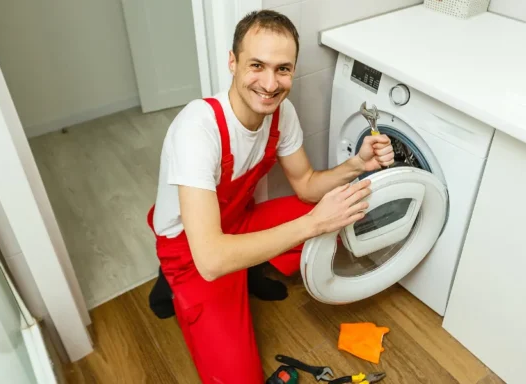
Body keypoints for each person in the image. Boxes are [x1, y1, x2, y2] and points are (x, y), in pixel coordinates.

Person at [145, 9, 395, 384]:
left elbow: (307, 184)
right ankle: (173, 284)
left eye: (283, 69)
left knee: (344, 209)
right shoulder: (198, 130)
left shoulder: (282, 113)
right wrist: (313, 223)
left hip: (237, 224)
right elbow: (211, 259)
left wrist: (356, 165)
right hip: (192, 250)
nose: (270, 83)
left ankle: (247, 269)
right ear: (232, 62)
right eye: (257, 65)